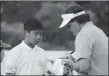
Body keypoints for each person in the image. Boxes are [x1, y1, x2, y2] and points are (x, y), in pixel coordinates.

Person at [59, 4, 108, 75]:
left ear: (75, 21)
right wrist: (76, 62)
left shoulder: (82, 35)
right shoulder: (99, 32)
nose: (69, 29)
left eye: (68, 26)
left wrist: (70, 63)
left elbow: (83, 67)